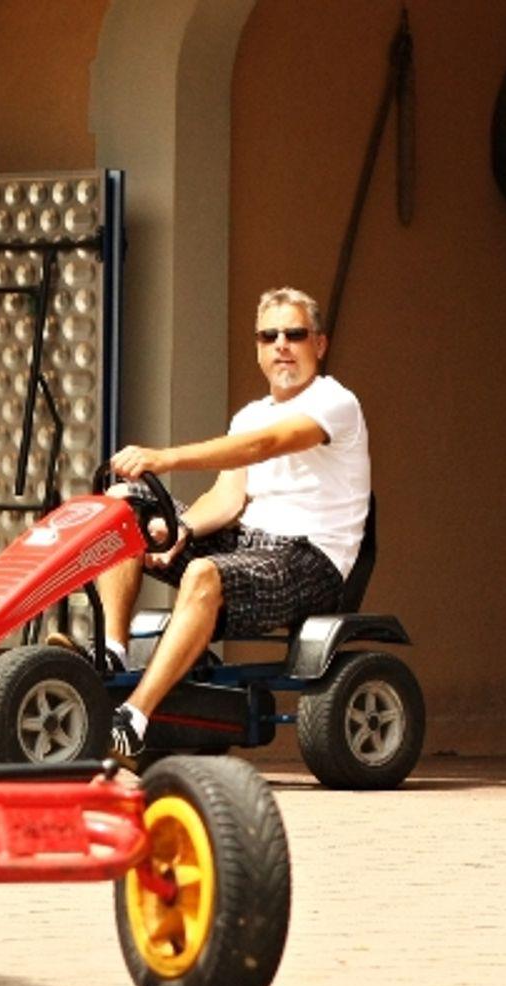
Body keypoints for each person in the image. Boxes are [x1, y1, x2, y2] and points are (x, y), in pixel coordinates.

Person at [92, 286, 369, 760]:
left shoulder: (335, 402)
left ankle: (134, 718)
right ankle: (112, 654)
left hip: (310, 559)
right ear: (258, 347)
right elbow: (226, 498)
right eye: (269, 336)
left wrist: (165, 458)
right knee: (123, 507)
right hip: (246, 545)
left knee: (205, 573)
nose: (281, 345)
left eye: (295, 334)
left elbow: (264, 445)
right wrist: (181, 530)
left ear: (319, 344)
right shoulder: (249, 415)